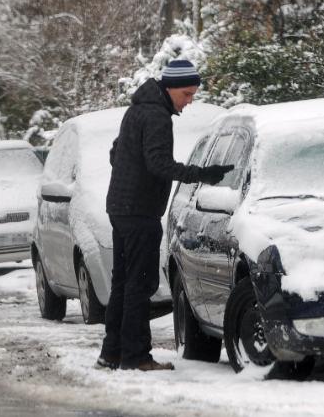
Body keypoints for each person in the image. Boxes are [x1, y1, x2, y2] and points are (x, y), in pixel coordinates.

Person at [98, 60, 234, 371]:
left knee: (123, 282)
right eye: (187, 94)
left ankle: (112, 352)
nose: (189, 101)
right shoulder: (157, 116)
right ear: (171, 88)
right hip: (140, 211)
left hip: (120, 208)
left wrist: (130, 170)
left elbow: (115, 153)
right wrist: (202, 174)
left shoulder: (136, 110)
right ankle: (136, 356)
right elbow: (158, 164)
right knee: (139, 285)